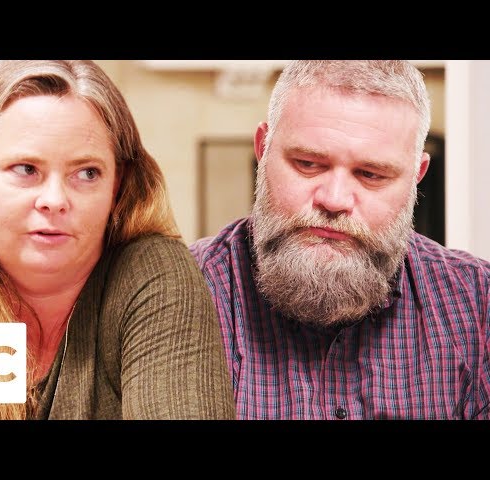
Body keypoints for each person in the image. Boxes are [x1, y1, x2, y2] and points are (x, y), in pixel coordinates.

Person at [0, 60, 235, 420]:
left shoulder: (151, 274)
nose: (55, 200)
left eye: (87, 173)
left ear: (116, 185)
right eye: (26, 169)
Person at [190, 60, 490, 420]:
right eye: (307, 164)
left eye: (370, 174)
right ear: (262, 149)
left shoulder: (479, 305)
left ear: (416, 176)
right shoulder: (180, 295)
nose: (333, 200)